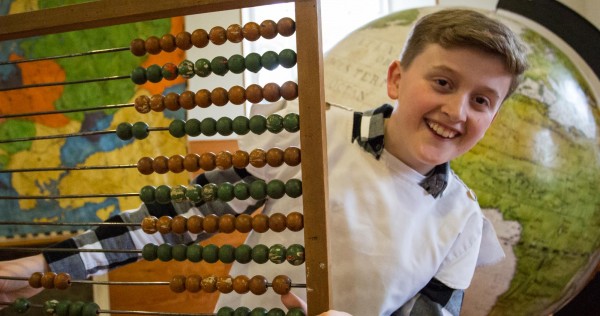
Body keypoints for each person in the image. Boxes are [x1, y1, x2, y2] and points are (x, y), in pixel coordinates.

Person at [0, 8, 527, 316]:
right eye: (442, 82)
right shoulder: (311, 137)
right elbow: (182, 218)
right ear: (396, 79)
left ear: (493, 116)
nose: (456, 110)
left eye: (482, 100)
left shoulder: (463, 223)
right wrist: (51, 265)